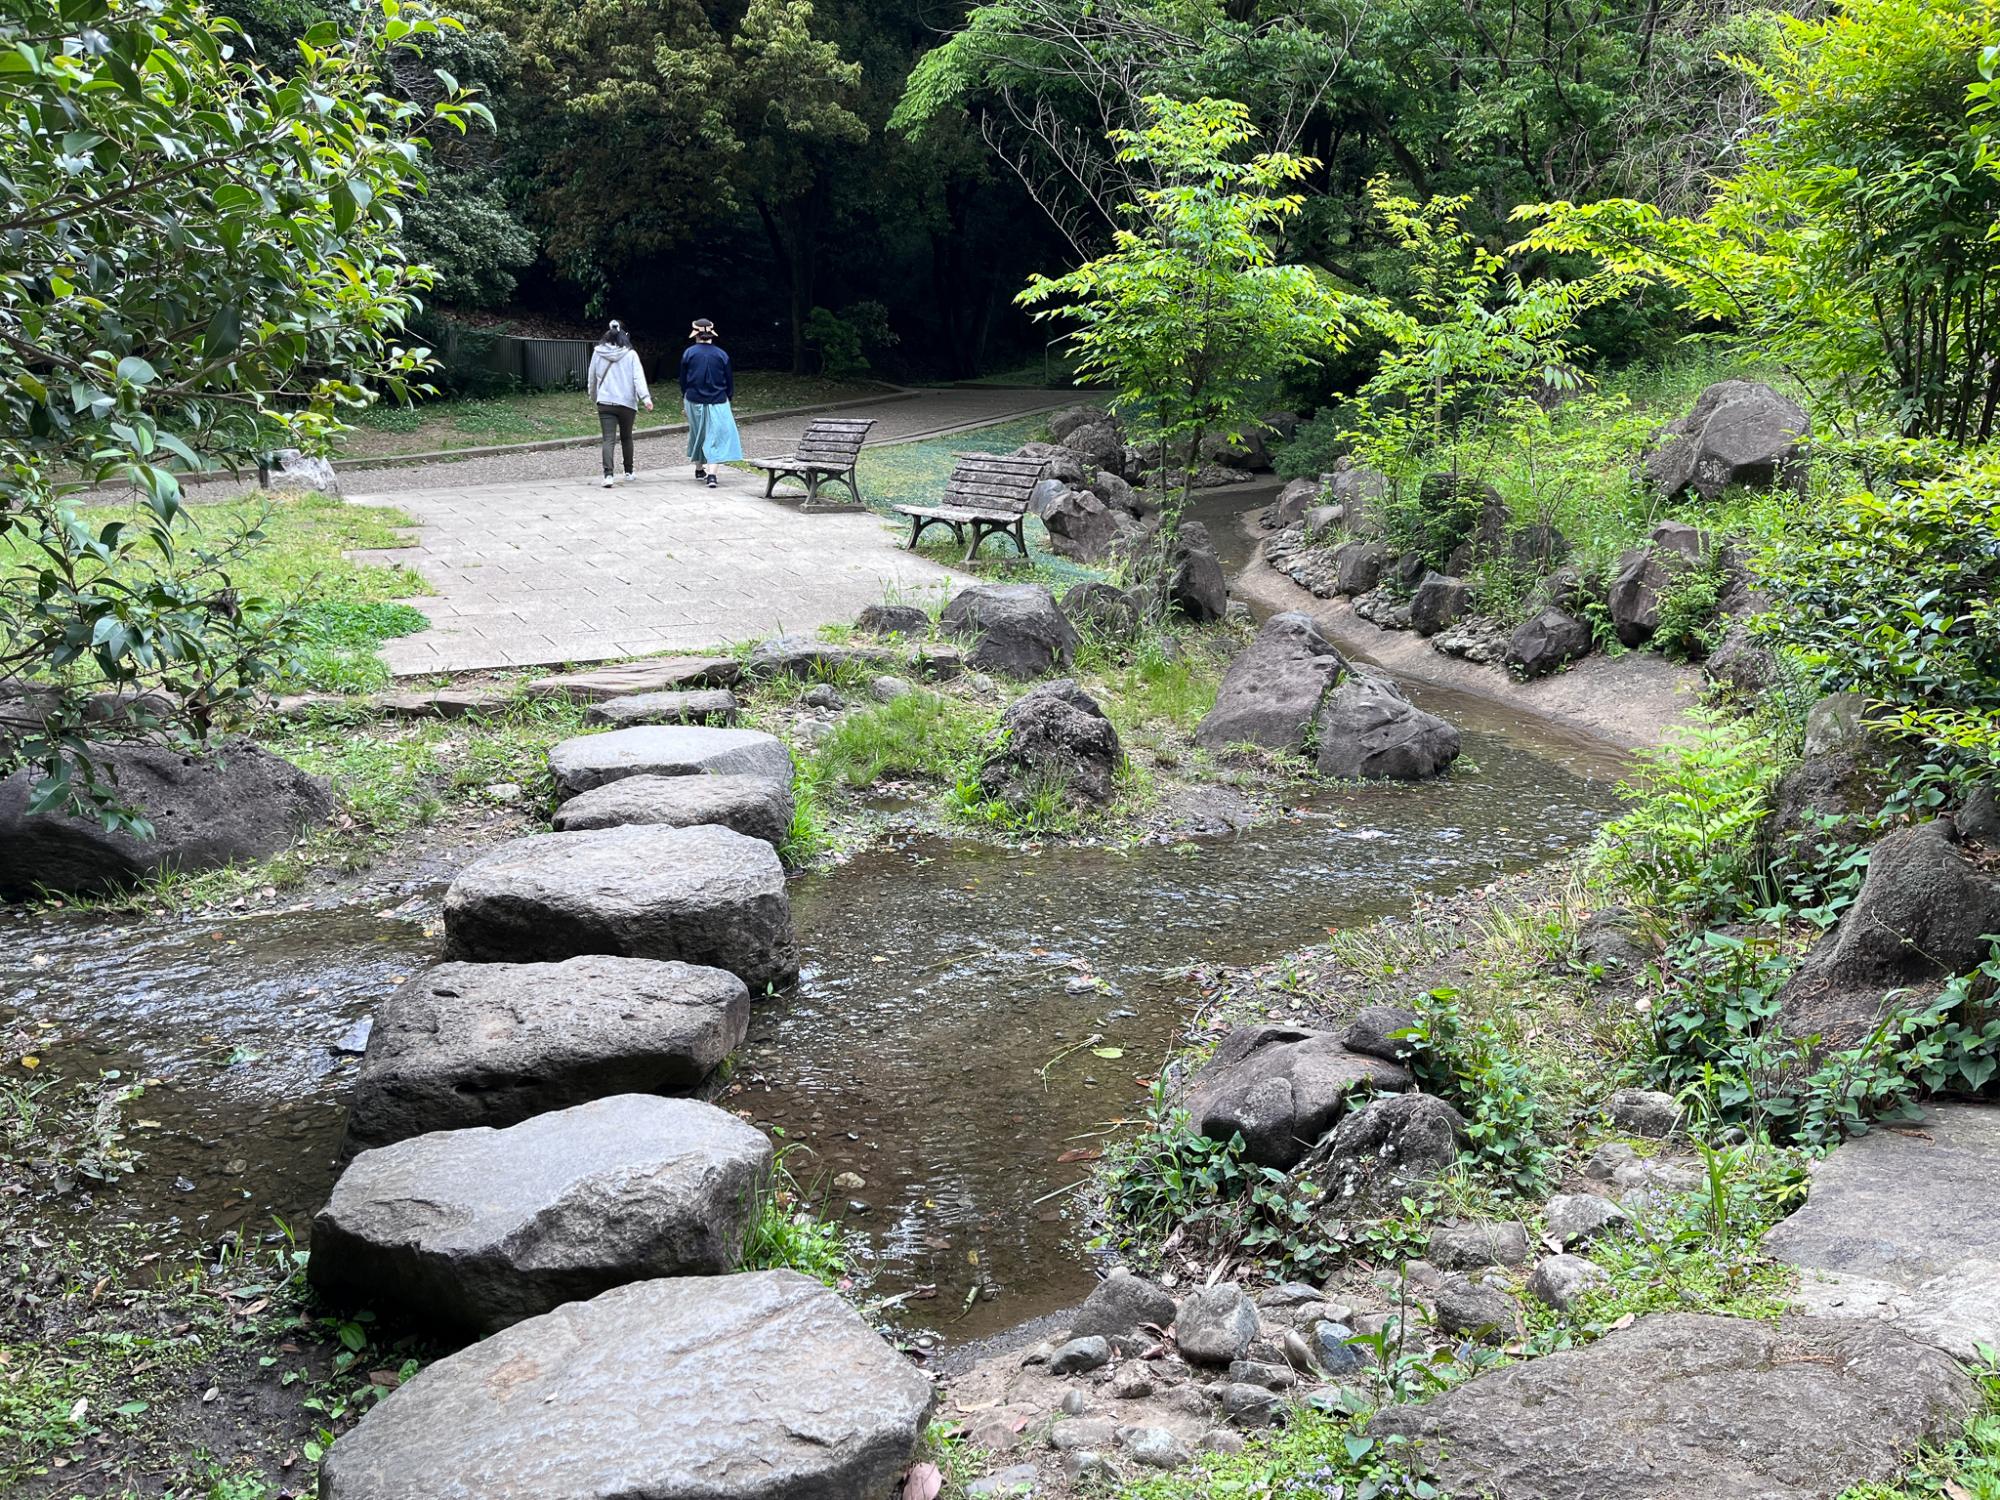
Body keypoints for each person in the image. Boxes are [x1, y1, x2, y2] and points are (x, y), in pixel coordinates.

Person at [586, 320, 652, 488]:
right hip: (626, 403)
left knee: (608, 439)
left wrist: (594, 396)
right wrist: (646, 398)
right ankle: (629, 471)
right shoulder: (631, 354)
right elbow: (638, 378)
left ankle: (608, 475)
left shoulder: (598, 353)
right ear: (624, 335)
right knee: (626, 437)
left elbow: (592, 378)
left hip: (605, 401)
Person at [680, 318, 740, 488]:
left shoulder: (689, 353)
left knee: (698, 432)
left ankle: (699, 468)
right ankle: (711, 474)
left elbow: (683, 380)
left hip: (693, 399)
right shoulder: (722, 354)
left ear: (696, 334)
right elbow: (729, 381)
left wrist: (685, 395)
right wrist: (729, 396)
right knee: (716, 435)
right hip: (718, 400)